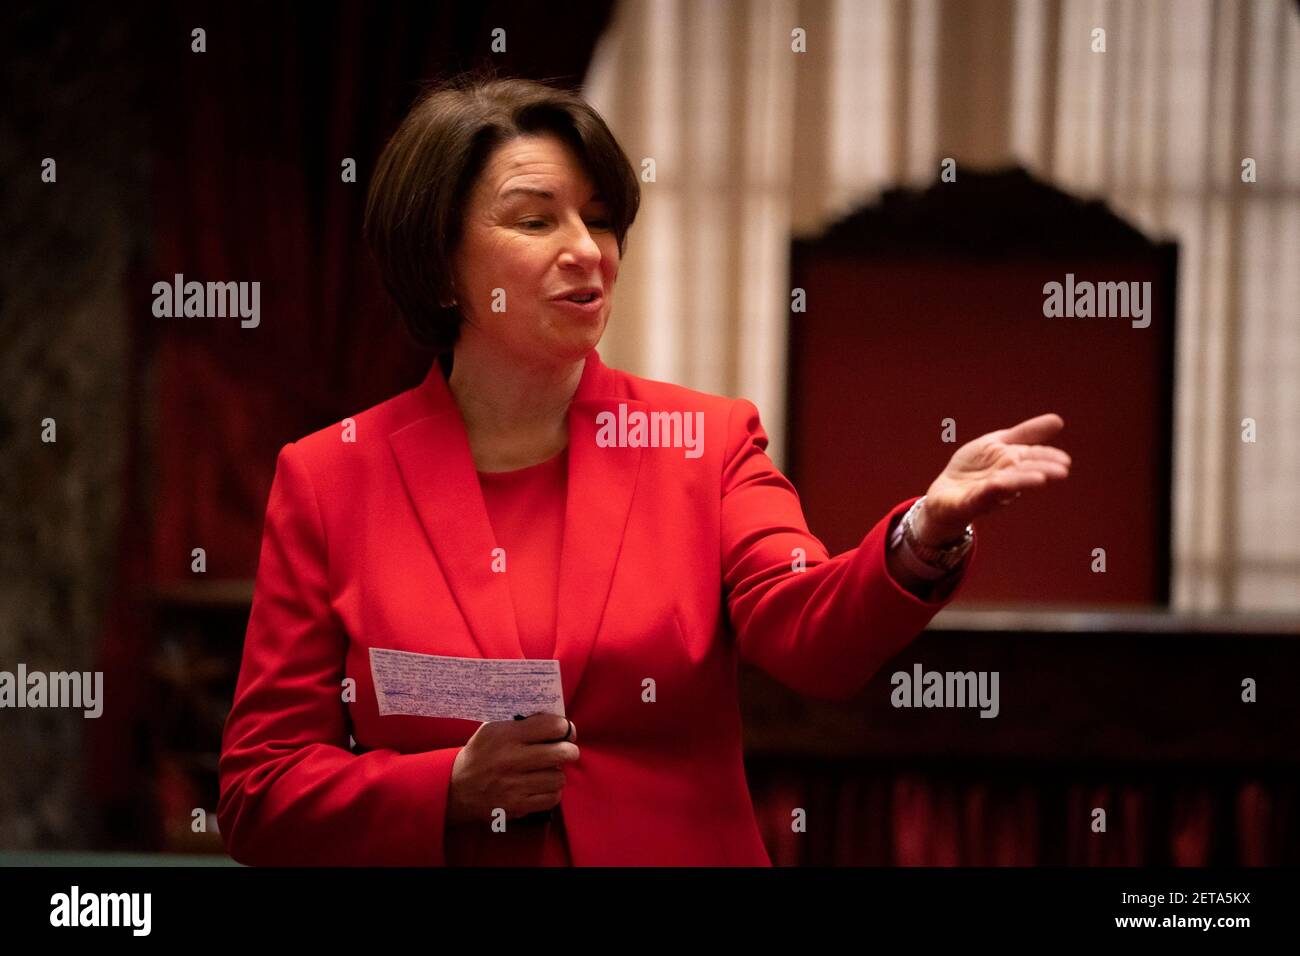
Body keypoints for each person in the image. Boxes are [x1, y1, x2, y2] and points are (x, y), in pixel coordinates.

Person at [217, 73, 1071, 866]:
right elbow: (261, 791)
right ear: (438, 266)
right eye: (535, 221)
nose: (586, 250)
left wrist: (925, 533)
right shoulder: (331, 478)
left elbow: (811, 636)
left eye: (599, 220)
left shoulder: (702, 441)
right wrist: (449, 789)